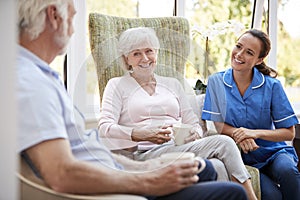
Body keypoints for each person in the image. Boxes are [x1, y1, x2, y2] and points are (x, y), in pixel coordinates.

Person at [15, 0, 249, 200]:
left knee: (209, 168)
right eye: (136, 53)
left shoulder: (41, 76)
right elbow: (62, 171)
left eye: (149, 51)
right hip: (136, 160)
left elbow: (87, 150)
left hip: (161, 152)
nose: (73, 31)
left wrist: (146, 168)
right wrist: (148, 176)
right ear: (54, 16)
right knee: (230, 188)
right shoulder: (30, 81)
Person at [99, 26, 257, 200]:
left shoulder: (173, 84)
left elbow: (193, 122)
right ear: (126, 59)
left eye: (149, 51)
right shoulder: (116, 85)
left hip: (178, 147)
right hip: (143, 154)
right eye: (136, 54)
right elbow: (104, 127)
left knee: (217, 165)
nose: (145, 58)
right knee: (225, 143)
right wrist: (140, 134)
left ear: (156, 53)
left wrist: (193, 134)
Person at [202, 29, 300, 200]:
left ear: (259, 60)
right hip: (241, 156)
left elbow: (289, 132)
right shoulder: (216, 82)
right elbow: (218, 124)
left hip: (274, 152)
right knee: (273, 196)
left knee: (288, 171)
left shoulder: (272, 86)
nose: (239, 54)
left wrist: (254, 133)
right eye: (238, 46)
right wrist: (240, 134)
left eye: (249, 52)